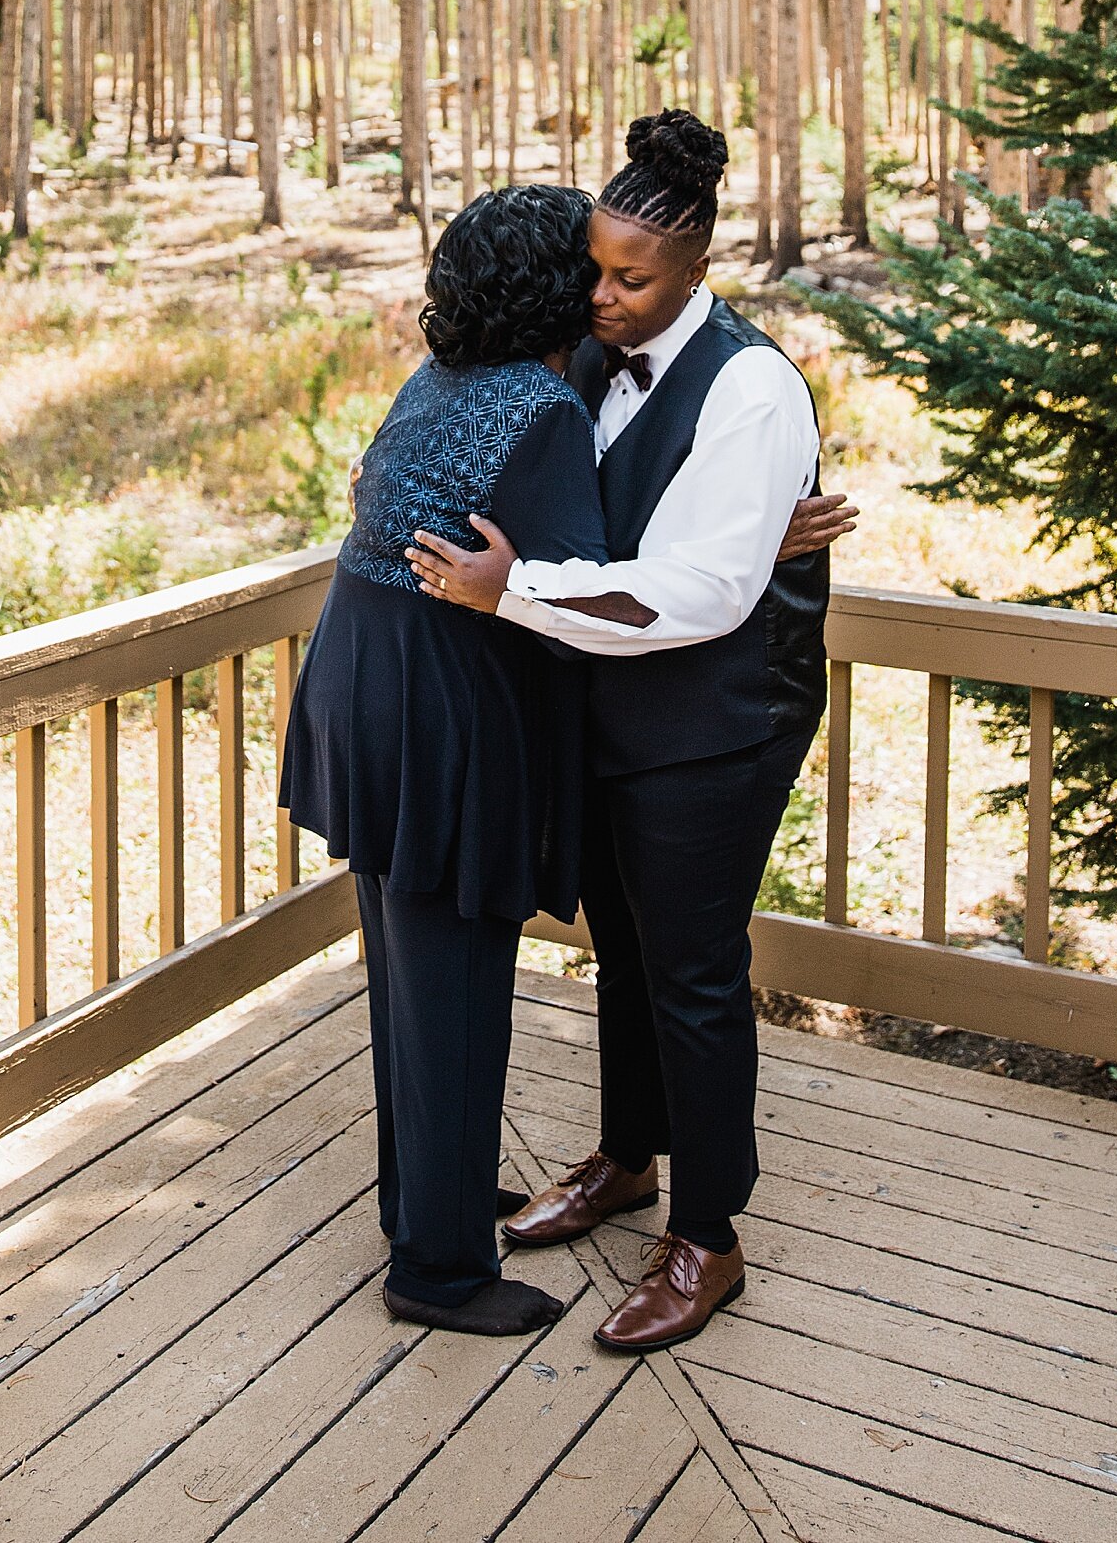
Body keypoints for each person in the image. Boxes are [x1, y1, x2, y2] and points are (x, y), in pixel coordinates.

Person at [409, 110, 856, 1356]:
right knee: (621, 944)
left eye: (631, 278)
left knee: (695, 969)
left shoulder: (755, 389)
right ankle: (626, 1160)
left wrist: (519, 595)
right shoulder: (591, 357)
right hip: (607, 706)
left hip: (717, 719)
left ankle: (709, 1235)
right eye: (595, 270)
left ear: (701, 265)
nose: (600, 296)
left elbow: (701, 594)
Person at [279, 182, 610, 1339]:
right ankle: (439, 1269)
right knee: (459, 985)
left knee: (410, 981)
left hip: (360, 680)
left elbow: (375, 494)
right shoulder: (547, 411)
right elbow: (584, 587)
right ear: (559, 289)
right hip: (441, 709)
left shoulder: (434, 381)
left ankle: (431, 1201)